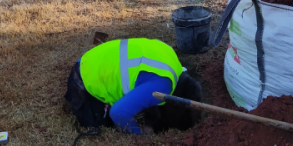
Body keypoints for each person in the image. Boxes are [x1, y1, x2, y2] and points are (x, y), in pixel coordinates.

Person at [64, 38, 202, 134]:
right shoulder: (162, 86)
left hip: (93, 58)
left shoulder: (172, 61)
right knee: (99, 125)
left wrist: (149, 124)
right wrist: (138, 137)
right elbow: (119, 113)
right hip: (85, 79)